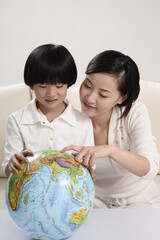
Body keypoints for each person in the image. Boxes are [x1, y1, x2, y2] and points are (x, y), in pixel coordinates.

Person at [62, 50, 160, 208]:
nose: (90, 98)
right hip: (93, 202)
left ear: (122, 97)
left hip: (139, 200)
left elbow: (149, 168)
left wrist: (110, 150)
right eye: (87, 85)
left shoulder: (133, 112)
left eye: (103, 95)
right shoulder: (70, 119)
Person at [2, 44, 94, 177]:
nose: (51, 93)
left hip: (69, 193)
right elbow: (7, 168)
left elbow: (90, 166)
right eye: (43, 86)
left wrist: (87, 164)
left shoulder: (83, 120)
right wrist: (13, 162)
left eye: (59, 86)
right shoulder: (17, 120)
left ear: (68, 85)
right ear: (31, 86)